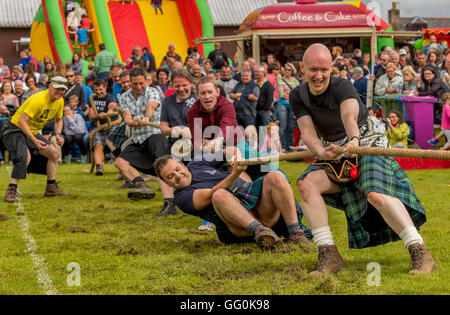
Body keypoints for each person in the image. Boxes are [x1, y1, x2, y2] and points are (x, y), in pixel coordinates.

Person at [292, 43, 436, 275]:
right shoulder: (298, 95)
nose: (318, 76)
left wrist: (354, 140)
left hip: (367, 138)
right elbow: (307, 132)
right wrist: (320, 153)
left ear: (332, 68)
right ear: (303, 69)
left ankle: (420, 252)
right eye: (313, 70)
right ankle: (329, 255)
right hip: (334, 147)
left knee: (375, 194)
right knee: (306, 184)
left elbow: (350, 117)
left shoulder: (342, 86)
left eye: (324, 70)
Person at [154, 151, 312, 250]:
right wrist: (236, 173)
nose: (177, 176)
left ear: (182, 164)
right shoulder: (181, 198)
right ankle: (261, 232)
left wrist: (235, 156)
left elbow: (227, 151)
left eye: (177, 169)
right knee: (219, 195)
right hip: (238, 225)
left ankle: (296, 233)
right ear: (167, 184)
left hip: (258, 205)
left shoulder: (197, 163)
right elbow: (211, 194)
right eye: (170, 177)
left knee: (276, 177)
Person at [113, 67, 177, 216]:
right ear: (130, 82)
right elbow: (127, 117)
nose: (139, 87)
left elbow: (151, 105)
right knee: (120, 162)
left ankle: (170, 204)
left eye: (141, 83)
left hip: (154, 134)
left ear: (146, 80)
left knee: (162, 164)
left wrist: (147, 118)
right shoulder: (124, 97)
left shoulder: (152, 91)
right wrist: (132, 121)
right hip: (137, 138)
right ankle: (142, 185)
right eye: (135, 84)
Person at [3, 76, 69, 203]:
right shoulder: (38, 100)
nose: (60, 92)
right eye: (58, 89)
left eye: (63, 90)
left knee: (54, 154)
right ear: (50, 87)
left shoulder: (59, 101)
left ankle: (51, 187)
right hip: (14, 129)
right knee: (25, 156)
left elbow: (59, 119)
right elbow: (22, 122)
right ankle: (11, 190)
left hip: (30, 131)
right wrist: (35, 140)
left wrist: (58, 134)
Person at [188, 76, 242, 153]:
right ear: (197, 95)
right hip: (209, 147)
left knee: (257, 159)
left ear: (217, 92)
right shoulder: (192, 112)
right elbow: (197, 139)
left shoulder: (227, 106)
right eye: (203, 93)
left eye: (210, 92)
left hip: (234, 142)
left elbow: (226, 126)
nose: (207, 96)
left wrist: (218, 140)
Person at [89, 79, 119, 175]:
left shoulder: (109, 97)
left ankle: (122, 167)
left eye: (100, 89)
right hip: (100, 128)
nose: (98, 92)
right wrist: (98, 116)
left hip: (112, 126)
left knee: (114, 145)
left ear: (105, 87)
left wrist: (109, 111)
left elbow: (112, 105)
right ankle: (99, 167)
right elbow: (91, 116)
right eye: (96, 90)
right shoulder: (93, 99)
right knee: (98, 146)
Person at [276, 63, 299, 152]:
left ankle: (290, 146)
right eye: (285, 69)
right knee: (283, 126)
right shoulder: (280, 80)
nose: (287, 71)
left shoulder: (295, 81)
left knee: (291, 127)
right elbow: (281, 94)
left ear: (292, 71)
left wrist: (288, 93)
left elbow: (297, 94)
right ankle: (283, 147)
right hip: (283, 104)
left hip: (292, 105)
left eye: (289, 70)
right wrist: (291, 94)